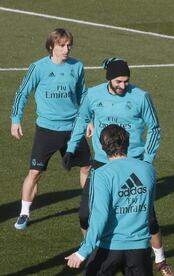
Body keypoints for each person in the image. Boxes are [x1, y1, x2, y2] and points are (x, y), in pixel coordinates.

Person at [63, 58, 174, 276]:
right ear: (109, 79)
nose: (123, 85)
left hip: (134, 163)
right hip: (102, 164)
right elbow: (81, 119)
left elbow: (155, 128)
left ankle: (160, 260)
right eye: (119, 81)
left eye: (126, 81)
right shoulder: (93, 95)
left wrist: (147, 160)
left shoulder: (141, 97)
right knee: (85, 215)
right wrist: (71, 148)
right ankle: (97, 250)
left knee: (147, 217)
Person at [10, 28, 91, 230]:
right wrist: (15, 119)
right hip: (47, 129)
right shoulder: (38, 68)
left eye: (69, 45)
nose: (66, 49)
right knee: (35, 172)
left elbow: (84, 96)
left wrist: (89, 120)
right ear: (51, 46)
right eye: (62, 45)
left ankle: (93, 204)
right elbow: (22, 93)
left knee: (87, 167)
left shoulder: (77, 66)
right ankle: (24, 213)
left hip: (73, 128)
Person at [65, 124, 155, 275]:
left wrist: (83, 251)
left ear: (101, 147)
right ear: (127, 143)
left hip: (108, 248)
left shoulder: (101, 174)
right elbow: (148, 208)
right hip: (140, 249)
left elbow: (99, 215)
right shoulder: (148, 169)